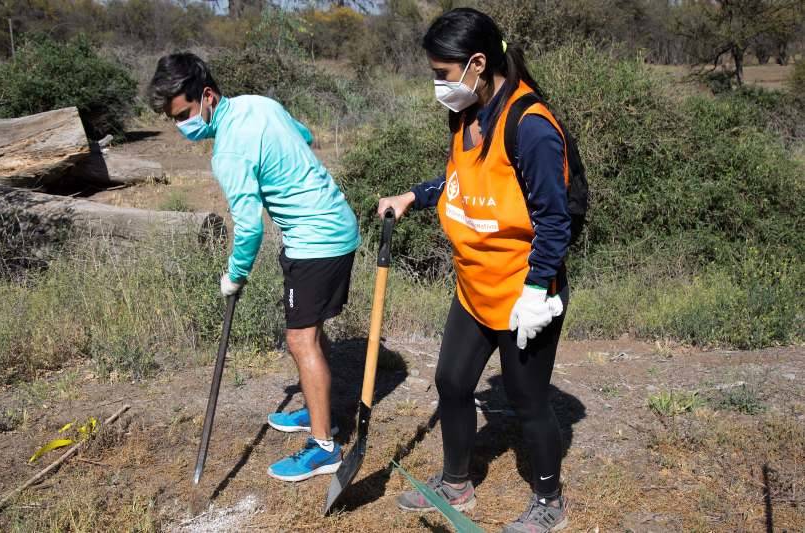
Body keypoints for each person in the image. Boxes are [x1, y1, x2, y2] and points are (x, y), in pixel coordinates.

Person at [377, 8, 572, 532]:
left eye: (442, 73)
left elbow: (555, 222)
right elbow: (463, 184)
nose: (438, 84)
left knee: (528, 401)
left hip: (522, 294)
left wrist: (536, 292)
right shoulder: (467, 114)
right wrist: (413, 196)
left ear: (478, 64)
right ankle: (457, 484)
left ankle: (549, 500)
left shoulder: (531, 127)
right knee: (453, 381)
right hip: (473, 288)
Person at [149, 52, 360, 482]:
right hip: (337, 223)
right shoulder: (259, 104)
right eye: (175, 119)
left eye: (185, 114)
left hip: (315, 241)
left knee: (300, 339)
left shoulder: (228, 151)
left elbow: (248, 229)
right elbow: (303, 134)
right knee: (310, 333)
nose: (182, 126)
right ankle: (317, 412)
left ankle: (324, 448)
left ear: (207, 96)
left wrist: (234, 275)